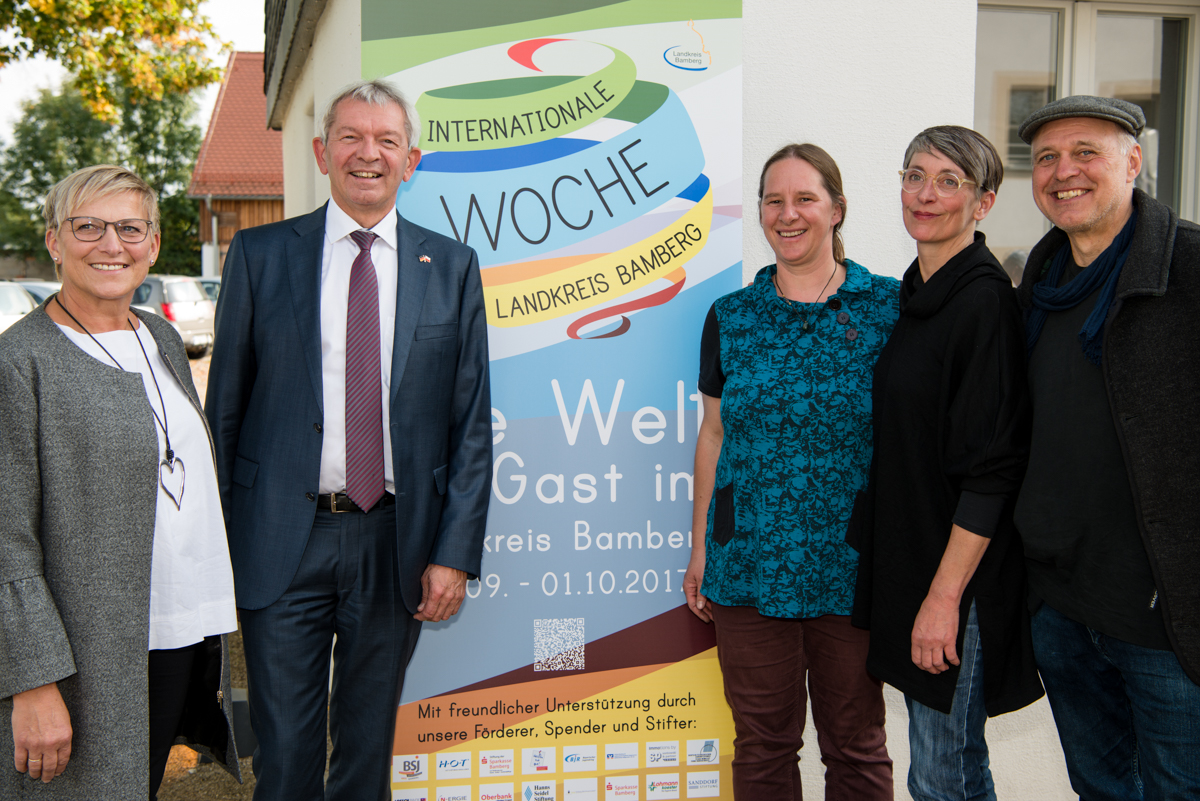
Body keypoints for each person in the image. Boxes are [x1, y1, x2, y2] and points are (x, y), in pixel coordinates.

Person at [205, 79, 492, 801]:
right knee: (286, 753)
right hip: (280, 540)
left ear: (412, 159)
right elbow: (225, 410)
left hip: (394, 542)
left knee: (366, 755)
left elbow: (469, 424)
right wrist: (221, 544)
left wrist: (452, 555)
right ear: (321, 151)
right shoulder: (261, 254)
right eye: (352, 137)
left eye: (386, 141)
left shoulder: (451, 268)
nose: (369, 153)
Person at [0, 165, 240, 799]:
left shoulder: (159, 335)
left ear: (154, 244)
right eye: (88, 227)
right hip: (86, 653)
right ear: (54, 241)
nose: (112, 245)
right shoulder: (19, 362)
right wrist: (33, 680)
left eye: (130, 228)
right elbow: (5, 539)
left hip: (176, 630)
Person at [684, 143, 898, 800]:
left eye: (805, 197)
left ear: (837, 208)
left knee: (857, 747)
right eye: (774, 200)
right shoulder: (731, 317)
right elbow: (714, 434)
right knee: (763, 746)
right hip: (748, 568)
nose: (788, 213)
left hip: (852, 571)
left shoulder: (888, 309)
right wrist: (698, 549)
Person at [1013, 95, 1200, 800]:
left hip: (1167, 619)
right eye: (1050, 157)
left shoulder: (1190, 268)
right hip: (1063, 608)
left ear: (1133, 161)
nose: (1065, 171)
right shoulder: (1041, 282)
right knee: (1099, 789)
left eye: (1086, 152)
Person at [850, 126, 1044, 801]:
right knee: (940, 764)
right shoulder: (918, 295)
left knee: (943, 773)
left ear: (983, 203)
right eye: (913, 175)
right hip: (918, 568)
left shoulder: (982, 302)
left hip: (957, 586)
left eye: (948, 180)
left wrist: (942, 600)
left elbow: (993, 470)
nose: (925, 194)